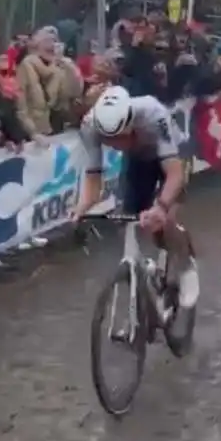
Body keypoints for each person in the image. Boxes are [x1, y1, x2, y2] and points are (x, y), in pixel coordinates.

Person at [71, 85, 197, 355]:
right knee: (127, 220)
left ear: (132, 123)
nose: (116, 146)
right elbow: (94, 179)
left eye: (122, 138)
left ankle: (185, 268)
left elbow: (174, 176)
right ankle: (138, 289)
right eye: (110, 141)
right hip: (140, 159)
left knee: (163, 223)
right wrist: (82, 207)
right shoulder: (90, 126)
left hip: (173, 156)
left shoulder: (153, 113)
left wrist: (161, 208)